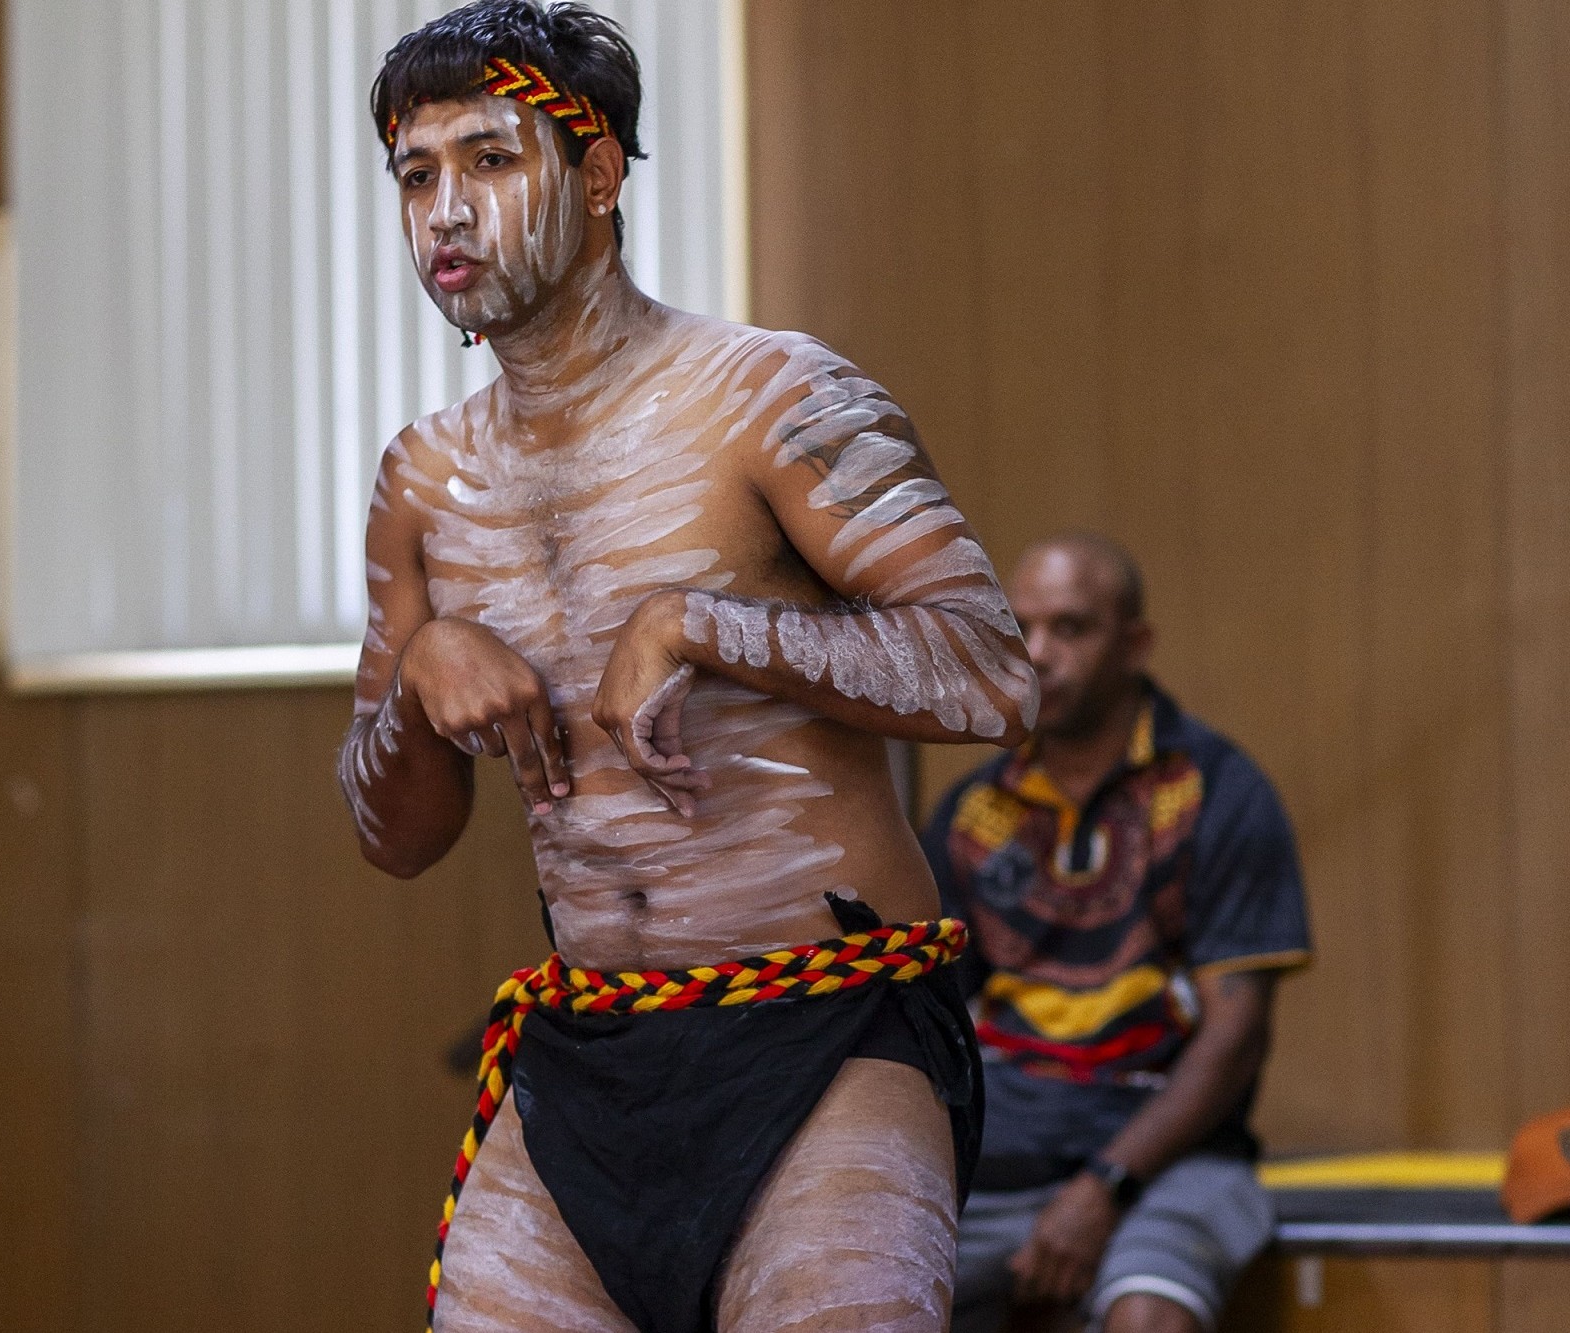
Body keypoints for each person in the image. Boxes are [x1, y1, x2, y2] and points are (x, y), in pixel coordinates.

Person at [334, 4, 1039, 1331]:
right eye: (417, 174)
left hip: (831, 1026)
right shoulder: (421, 483)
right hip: (593, 1045)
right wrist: (422, 673)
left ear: (597, 177)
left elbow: (995, 676)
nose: (445, 210)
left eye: (490, 158)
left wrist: (706, 623)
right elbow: (394, 833)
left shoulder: (774, 397)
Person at [922, 534, 1311, 1333]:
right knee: (846, 1296)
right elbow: (931, 1032)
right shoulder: (972, 811)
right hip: (996, 1166)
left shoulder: (1217, 790)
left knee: (1147, 1316)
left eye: (1071, 628)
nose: (1038, 654)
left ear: (1134, 643)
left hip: (1171, 1163)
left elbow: (1234, 1039)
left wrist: (1104, 1187)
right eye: (1020, 627)